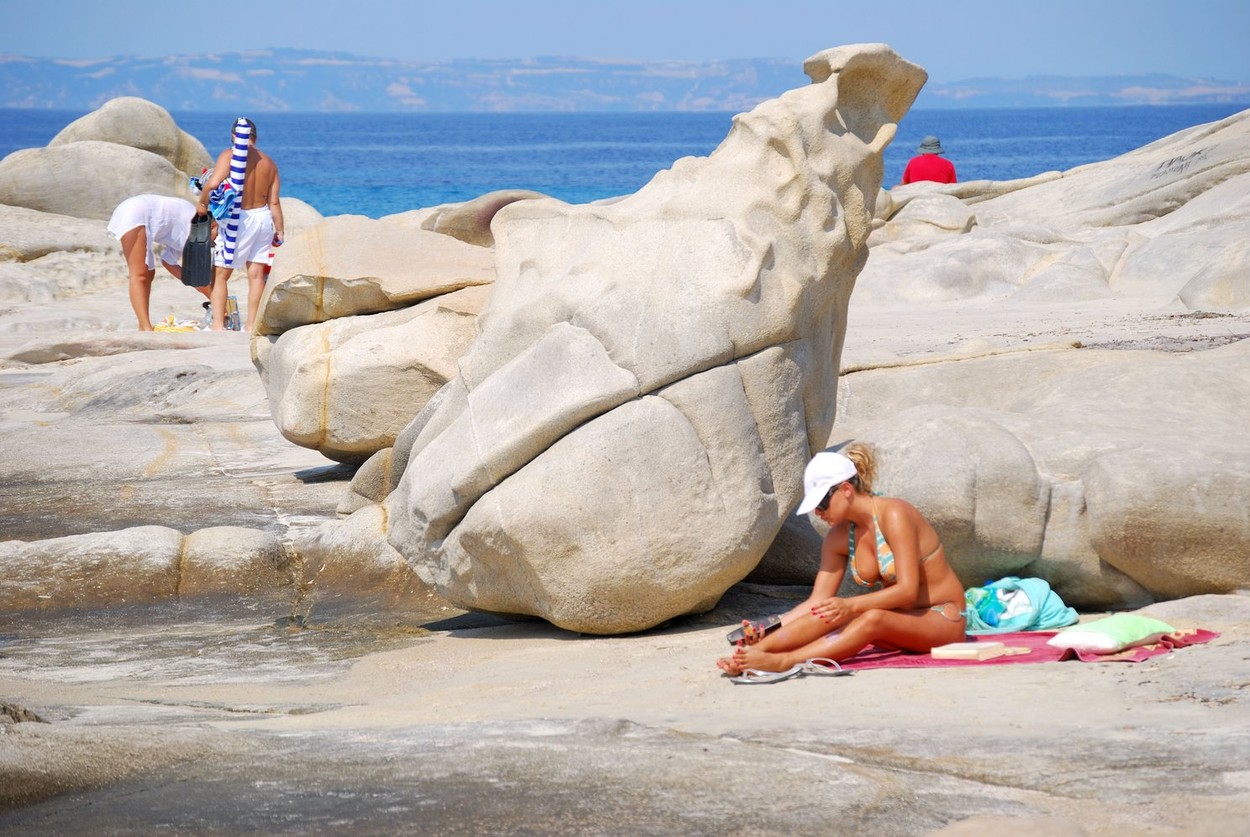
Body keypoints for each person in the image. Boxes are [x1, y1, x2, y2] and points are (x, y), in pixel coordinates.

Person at [716, 444, 966, 675]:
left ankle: (784, 662)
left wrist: (851, 606)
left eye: (822, 503)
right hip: (899, 622)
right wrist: (769, 628)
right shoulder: (838, 537)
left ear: (846, 489)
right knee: (835, 611)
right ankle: (757, 653)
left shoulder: (895, 514)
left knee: (868, 615)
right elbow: (817, 603)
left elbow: (908, 592)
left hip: (941, 618)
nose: (818, 512)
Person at [195, 117, 285, 332]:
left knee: (221, 274)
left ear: (234, 135)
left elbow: (214, 183)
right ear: (256, 137)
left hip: (239, 219)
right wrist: (280, 230)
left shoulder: (230, 154)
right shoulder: (269, 163)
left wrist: (202, 202)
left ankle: (218, 325)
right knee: (255, 275)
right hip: (262, 218)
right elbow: (274, 202)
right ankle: (252, 325)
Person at [107, 194, 212, 331]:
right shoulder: (196, 229)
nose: (214, 243)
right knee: (140, 274)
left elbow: (168, 261)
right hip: (135, 212)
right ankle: (145, 328)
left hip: (142, 213)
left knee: (149, 273)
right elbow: (199, 279)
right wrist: (219, 302)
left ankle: (143, 326)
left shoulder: (195, 231)